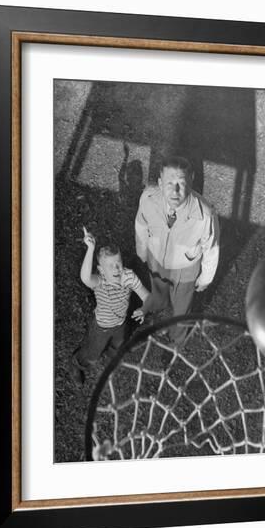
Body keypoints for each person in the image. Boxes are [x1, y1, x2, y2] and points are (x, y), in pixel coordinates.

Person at [135, 156, 219, 343]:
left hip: (185, 270)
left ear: (191, 181)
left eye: (181, 183)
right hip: (156, 259)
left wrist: (206, 277)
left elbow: (211, 248)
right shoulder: (148, 199)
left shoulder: (205, 215)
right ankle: (158, 305)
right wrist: (141, 250)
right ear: (159, 182)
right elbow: (141, 225)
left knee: (181, 308)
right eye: (169, 183)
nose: (175, 191)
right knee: (158, 290)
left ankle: (177, 338)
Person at [71, 227, 150, 385]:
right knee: (92, 355)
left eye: (118, 263)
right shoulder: (100, 282)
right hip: (101, 327)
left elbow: (146, 295)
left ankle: (112, 358)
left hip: (121, 324)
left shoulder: (128, 276)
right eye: (110, 265)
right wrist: (90, 249)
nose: (116, 268)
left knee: (118, 345)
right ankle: (76, 364)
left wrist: (144, 308)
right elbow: (86, 278)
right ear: (101, 270)